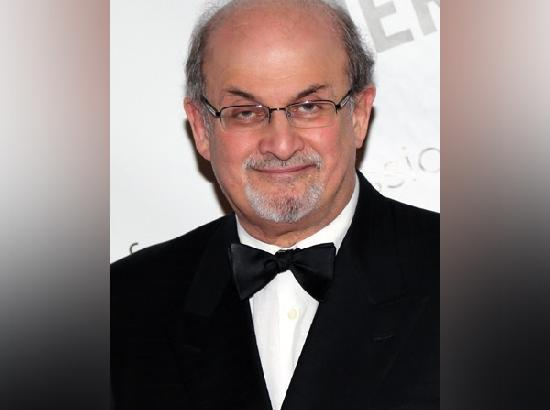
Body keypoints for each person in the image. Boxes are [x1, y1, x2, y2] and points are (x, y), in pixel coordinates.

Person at [110, 0, 439, 409]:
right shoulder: (121, 305)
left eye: (309, 107)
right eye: (245, 113)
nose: (281, 145)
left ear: (358, 114)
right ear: (201, 128)